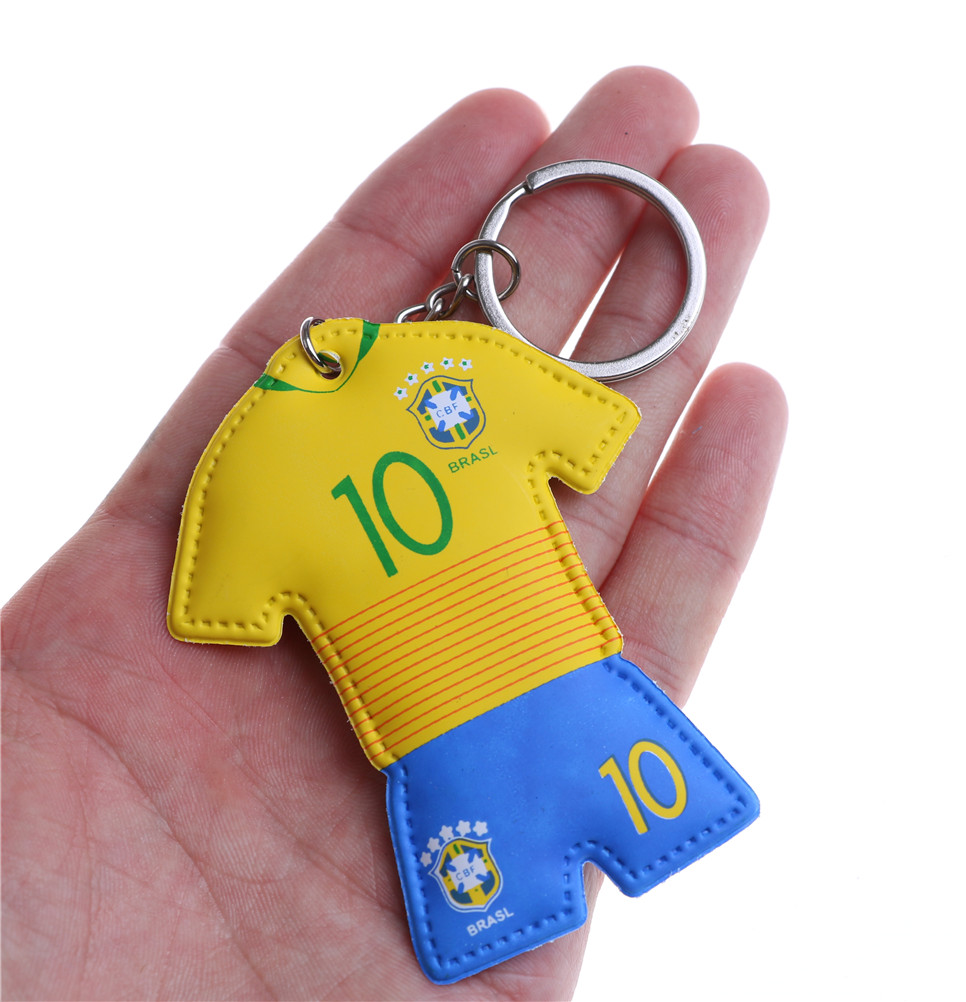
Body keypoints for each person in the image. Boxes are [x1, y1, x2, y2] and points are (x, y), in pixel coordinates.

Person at [2, 66, 787, 999]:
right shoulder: (453, 369)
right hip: (569, 701)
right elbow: (597, 434)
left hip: (463, 750)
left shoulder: (252, 460)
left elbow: (217, 609)